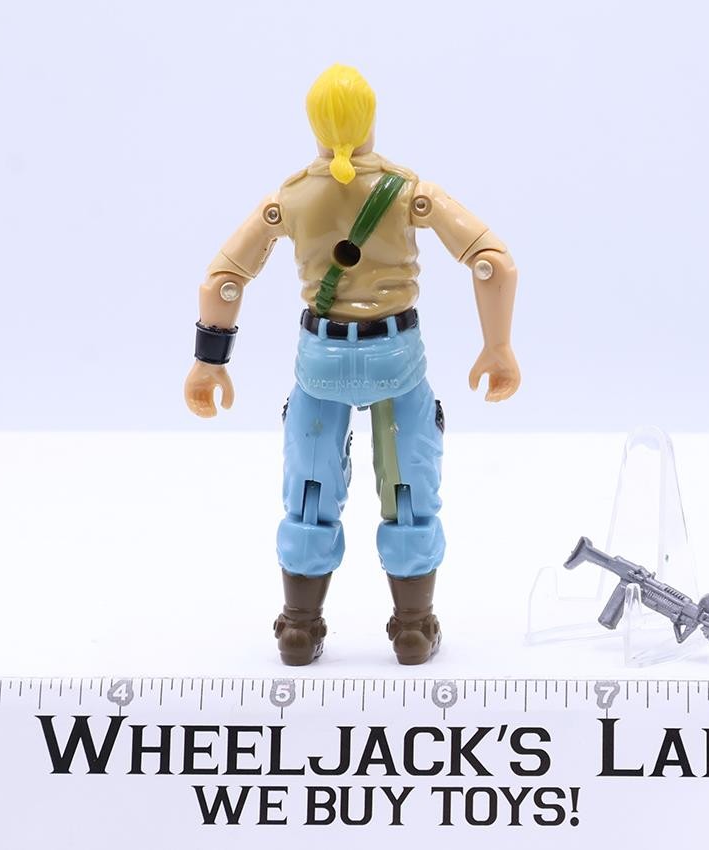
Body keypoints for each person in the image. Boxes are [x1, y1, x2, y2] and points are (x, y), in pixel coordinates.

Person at [183, 64, 520, 666]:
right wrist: (497, 346)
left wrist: (210, 362)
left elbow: (224, 279)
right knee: (409, 488)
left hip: (323, 361)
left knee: (310, 489)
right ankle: (413, 627)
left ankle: (299, 627)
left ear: (313, 125)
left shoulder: (289, 199)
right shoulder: (408, 190)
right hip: (396, 357)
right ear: (371, 121)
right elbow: (491, 260)